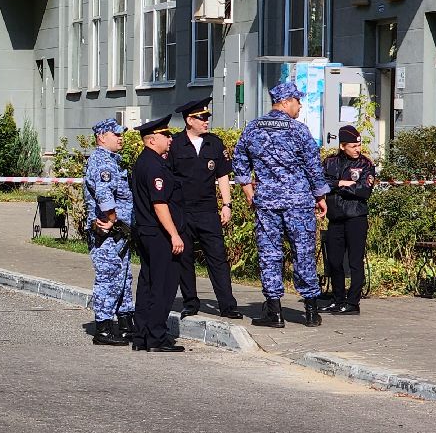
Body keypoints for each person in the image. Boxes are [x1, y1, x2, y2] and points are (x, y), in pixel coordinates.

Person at [231, 80, 330, 328]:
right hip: (298, 202)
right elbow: (313, 167)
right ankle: (310, 311)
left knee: (270, 255)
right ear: (285, 102)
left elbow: (239, 160)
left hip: (267, 202)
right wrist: (320, 196)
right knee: (304, 253)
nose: (300, 106)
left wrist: (246, 189)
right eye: (297, 101)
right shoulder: (299, 130)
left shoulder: (253, 128)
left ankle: (274, 312)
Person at [169, 96, 242, 319]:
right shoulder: (175, 144)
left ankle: (227, 305)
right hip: (182, 211)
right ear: (189, 120)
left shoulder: (215, 143)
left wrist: (227, 204)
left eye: (207, 117)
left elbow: (222, 176)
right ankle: (190, 302)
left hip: (208, 210)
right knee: (185, 258)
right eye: (202, 118)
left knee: (218, 257)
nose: (206, 121)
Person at [129, 115, 187, 353]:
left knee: (148, 283)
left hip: (146, 231)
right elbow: (159, 204)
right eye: (166, 135)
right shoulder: (154, 166)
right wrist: (174, 234)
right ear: (152, 140)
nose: (170, 139)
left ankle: (141, 335)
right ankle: (156, 337)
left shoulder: (145, 161)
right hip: (159, 234)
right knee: (163, 285)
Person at [83, 118, 135, 346]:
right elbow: (104, 194)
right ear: (102, 137)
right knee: (108, 276)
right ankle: (103, 328)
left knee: (123, 276)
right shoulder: (102, 161)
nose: (120, 138)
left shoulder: (114, 161)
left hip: (119, 232)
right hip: (108, 232)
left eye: (121, 134)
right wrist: (114, 221)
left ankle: (125, 324)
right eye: (116, 134)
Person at [322, 124, 375, 314]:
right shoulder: (330, 162)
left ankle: (353, 303)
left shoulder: (365, 164)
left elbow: (364, 191)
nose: (357, 149)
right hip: (336, 218)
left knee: (355, 262)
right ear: (343, 145)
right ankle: (338, 299)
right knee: (334, 262)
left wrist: (337, 188)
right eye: (353, 146)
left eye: (359, 145)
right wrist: (341, 183)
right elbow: (320, 183)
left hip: (356, 217)